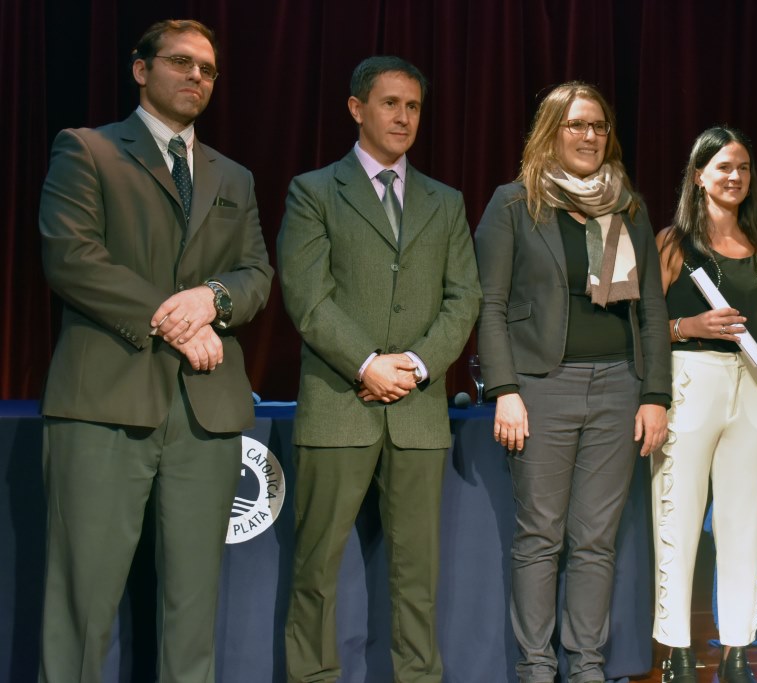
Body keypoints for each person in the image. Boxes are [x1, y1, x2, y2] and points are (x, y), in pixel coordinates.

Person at [36, 19, 273, 683]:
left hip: (206, 415)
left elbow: (256, 274)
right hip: (104, 402)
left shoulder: (235, 176)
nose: (197, 76)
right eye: (181, 62)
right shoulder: (87, 150)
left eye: (208, 69)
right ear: (141, 70)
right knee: (82, 605)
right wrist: (174, 318)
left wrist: (213, 301)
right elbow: (72, 256)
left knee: (192, 609)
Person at [277, 56, 481, 683]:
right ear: (356, 108)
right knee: (316, 569)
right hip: (339, 404)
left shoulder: (444, 202)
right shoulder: (313, 191)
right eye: (390, 103)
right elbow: (307, 296)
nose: (402, 117)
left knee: (417, 575)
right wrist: (367, 364)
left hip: (418, 413)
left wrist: (416, 365)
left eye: (413, 106)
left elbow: (464, 297)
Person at [475, 81, 670, 683]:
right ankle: (536, 667)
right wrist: (504, 388)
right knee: (540, 537)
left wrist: (655, 394)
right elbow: (490, 304)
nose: (590, 136)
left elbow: (653, 313)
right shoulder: (515, 203)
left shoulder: (626, 206)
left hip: (618, 387)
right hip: (541, 386)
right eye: (576, 125)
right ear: (550, 131)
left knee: (596, 541)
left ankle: (586, 666)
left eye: (599, 126)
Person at [653, 127, 757, 683]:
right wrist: (688, 324)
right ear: (699, 176)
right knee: (678, 517)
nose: (735, 176)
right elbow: (643, 327)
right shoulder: (672, 241)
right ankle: (677, 650)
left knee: (745, 523)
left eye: (742, 167)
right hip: (691, 379)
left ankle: (737, 649)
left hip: (755, 388)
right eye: (722, 167)